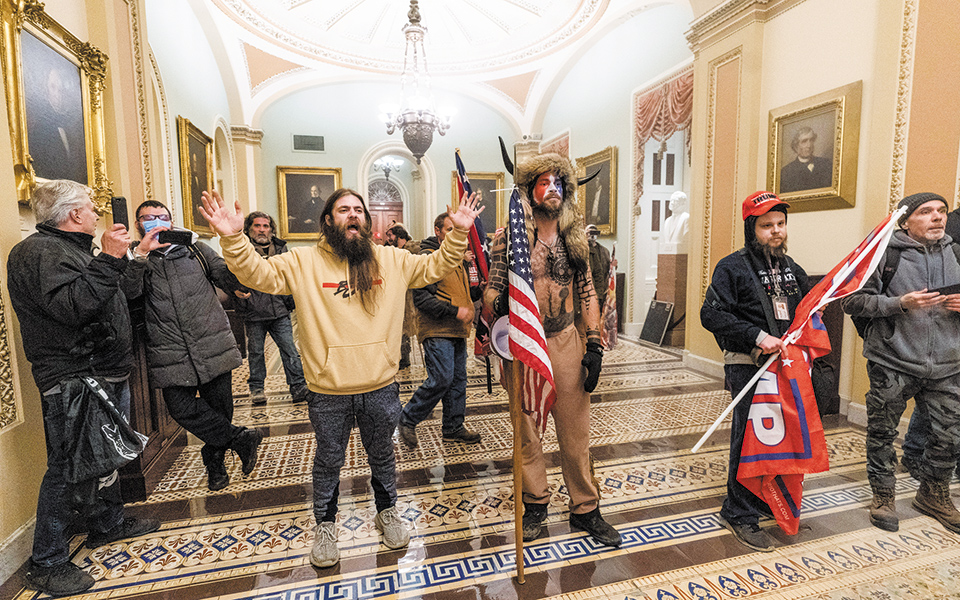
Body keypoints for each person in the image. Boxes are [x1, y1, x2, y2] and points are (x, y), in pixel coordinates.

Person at [203, 187, 482, 569]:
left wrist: (460, 232)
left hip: (380, 386)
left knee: (382, 454)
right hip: (327, 391)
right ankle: (325, 525)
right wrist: (233, 237)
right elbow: (257, 274)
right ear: (329, 220)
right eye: (343, 209)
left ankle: (387, 511)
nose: (353, 215)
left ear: (367, 222)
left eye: (358, 210)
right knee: (329, 459)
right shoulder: (302, 263)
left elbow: (435, 266)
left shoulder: (392, 260)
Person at [7, 180, 160, 596]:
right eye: (91, 208)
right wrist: (110, 260)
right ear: (74, 214)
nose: (97, 214)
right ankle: (47, 561)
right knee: (67, 468)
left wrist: (137, 258)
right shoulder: (38, 252)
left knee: (103, 459)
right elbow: (74, 307)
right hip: (75, 378)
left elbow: (117, 294)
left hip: (102, 373)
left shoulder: (74, 250)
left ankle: (107, 525)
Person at [483, 153, 621, 548]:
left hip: (565, 341)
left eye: (559, 183)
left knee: (575, 433)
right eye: (544, 183)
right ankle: (536, 502)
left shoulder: (576, 240)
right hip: (524, 344)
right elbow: (490, 291)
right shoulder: (508, 240)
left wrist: (593, 343)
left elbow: (589, 293)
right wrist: (501, 299)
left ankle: (586, 509)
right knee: (526, 432)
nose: (553, 189)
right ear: (529, 191)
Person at [123, 200, 262, 493]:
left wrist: (241, 279)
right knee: (181, 408)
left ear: (171, 223)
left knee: (220, 410)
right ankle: (240, 439)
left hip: (212, 341)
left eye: (161, 217)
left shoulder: (195, 249)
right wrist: (141, 256)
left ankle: (215, 467)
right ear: (138, 225)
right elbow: (129, 293)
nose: (155, 221)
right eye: (147, 218)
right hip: (169, 348)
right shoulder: (134, 257)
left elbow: (223, 274)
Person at [841, 192, 960, 534]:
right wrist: (900, 303)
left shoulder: (956, 253)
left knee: (950, 437)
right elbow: (852, 301)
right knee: (882, 432)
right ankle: (883, 497)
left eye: (941, 212)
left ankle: (933, 494)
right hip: (892, 360)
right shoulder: (884, 254)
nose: (937, 217)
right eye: (926, 212)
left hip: (949, 364)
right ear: (906, 221)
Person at [700, 191, 810, 552]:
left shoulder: (793, 270)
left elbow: (808, 315)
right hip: (747, 365)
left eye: (780, 224)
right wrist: (758, 336)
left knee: (780, 436)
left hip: (786, 370)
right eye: (766, 226)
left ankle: (766, 496)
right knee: (748, 440)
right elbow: (711, 315)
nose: (775, 231)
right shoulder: (731, 268)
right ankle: (738, 511)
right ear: (752, 228)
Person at [398, 212, 483, 448]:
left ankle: (453, 428)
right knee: (442, 378)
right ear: (438, 231)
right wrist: (456, 311)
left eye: (456, 232)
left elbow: (461, 292)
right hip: (437, 329)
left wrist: (478, 292)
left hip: (457, 329)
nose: (454, 236)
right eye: (449, 230)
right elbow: (422, 299)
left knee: (458, 381)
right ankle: (408, 417)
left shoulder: (456, 258)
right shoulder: (429, 257)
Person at [232, 211, 309, 405]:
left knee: (290, 349)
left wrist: (291, 301)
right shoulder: (244, 249)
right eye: (257, 226)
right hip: (254, 310)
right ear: (249, 229)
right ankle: (257, 389)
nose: (262, 230)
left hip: (279, 309)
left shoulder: (282, 248)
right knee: (256, 352)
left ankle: (298, 387)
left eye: (265, 226)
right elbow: (232, 273)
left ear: (271, 230)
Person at [384, 222, 420, 369]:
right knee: (397, 326)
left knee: (404, 326)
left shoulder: (413, 249)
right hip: (396, 294)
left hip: (410, 296)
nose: (388, 238)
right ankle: (401, 356)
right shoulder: (391, 250)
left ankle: (404, 358)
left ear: (399, 235)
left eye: (390, 235)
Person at [779, 127, 832, 193]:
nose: (809, 145)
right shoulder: (786, 172)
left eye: (811, 140)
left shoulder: (826, 164)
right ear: (796, 145)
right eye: (804, 141)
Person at [586, 224, 612, 307]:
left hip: (602, 290)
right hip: (587, 290)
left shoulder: (605, 251)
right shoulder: (582, 250)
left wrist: (613, 265)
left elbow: (608, 271)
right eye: (590, 232)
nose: (592, 235)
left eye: (594, 232)